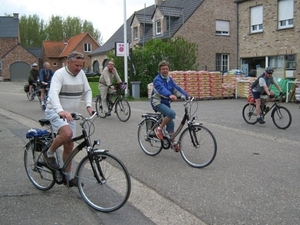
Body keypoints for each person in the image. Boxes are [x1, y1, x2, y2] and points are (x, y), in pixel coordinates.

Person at [43, 51, 93, 187]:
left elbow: (88, 90)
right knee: (67, 134)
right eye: (76, 65)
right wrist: (60, 111)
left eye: (81, 66)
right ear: (68, 62)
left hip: (71, 113)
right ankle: (49, 153)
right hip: (55, 110)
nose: (79, 68)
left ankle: (68, 178)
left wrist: (88, 105)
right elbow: (53, 94)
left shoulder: (81, 74)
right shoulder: (59, 74)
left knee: (69, 145)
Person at [150, 60, 189, 152]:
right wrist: (169, 95)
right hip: (157, 102)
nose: (165, 70)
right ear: (160, 70)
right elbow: (161, 89)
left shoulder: (169, 79)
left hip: (166, 103)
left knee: (171, 123)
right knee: (171, 114)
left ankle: (172, 142)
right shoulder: (157, 80)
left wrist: (187, 95)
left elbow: (176, 88)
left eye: (166, 69)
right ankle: (159, 129)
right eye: (163, 69)